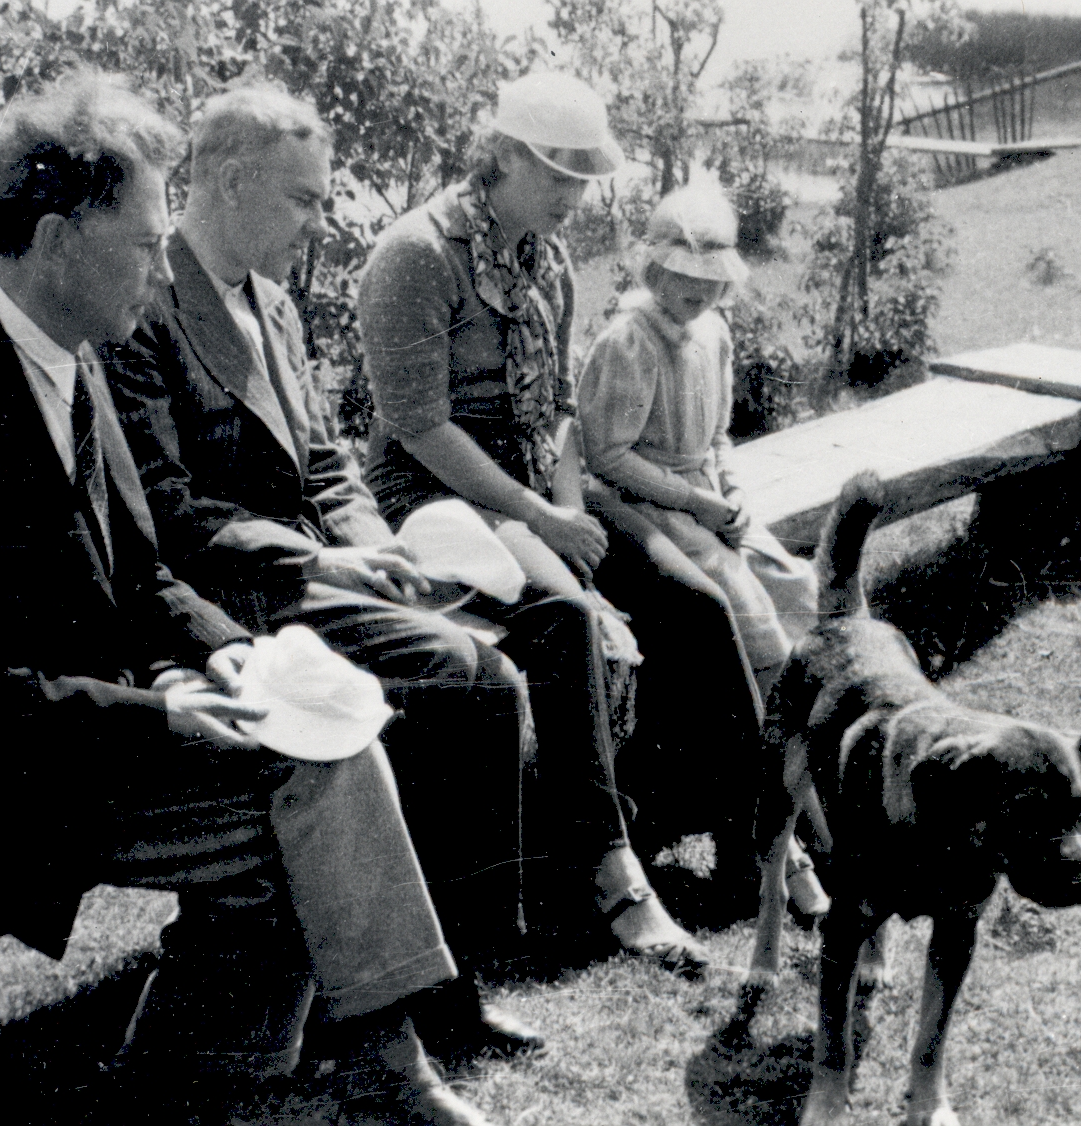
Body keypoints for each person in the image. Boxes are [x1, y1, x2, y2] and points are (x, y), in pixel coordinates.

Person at [0, 72, 495, 1126]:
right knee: (289, 827)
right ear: (51, 237)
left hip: (62, 726)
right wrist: (161, 714)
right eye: (139, 242)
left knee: (324, 754)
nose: (160, 266)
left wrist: (223, 652)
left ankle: (285, 1064)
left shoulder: (67, 356)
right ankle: (255, 1071)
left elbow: (142, 572)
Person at [105, 86, 543, 1061]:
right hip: (233, 604)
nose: (318, 221)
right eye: (302, 200)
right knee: (467, 678)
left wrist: (375, 543)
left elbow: (324, 459)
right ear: (227, 183)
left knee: (483, 659)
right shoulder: (145, 308)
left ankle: (440, 974)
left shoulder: (270, 300)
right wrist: (323, 554)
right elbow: (169, 511)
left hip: (316, 576)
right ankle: (429, 992)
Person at [357, 70, 765, 963]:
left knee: (692, 601)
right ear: (500, 155)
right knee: (571, 617)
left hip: (540, 489)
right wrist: (544, 520)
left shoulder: (544, 257)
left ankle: (754, 842)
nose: (574, 198)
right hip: (435, 496)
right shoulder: (415, 255)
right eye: (557, 175)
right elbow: (419, 427)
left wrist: (571, 514)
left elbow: (555, 420)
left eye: (585, 179)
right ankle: (609, 869)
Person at [576, 185, 828, 915]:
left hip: (702, 498)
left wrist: (730, 493)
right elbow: (607, 455)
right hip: (643, 501)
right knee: (739, 613)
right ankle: (766, 833)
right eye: (679, 277)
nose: (692, 292)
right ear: (653, 269)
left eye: (706, 279)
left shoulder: (713, 332)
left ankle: (816, 805)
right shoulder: (628, 339)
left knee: (795, 591)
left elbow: (716, 436)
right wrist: (695, 502)